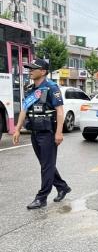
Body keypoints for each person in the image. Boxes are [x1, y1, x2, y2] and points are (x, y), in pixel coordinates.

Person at [12, 59, 71, 209]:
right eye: (29, 68)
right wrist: (18, 128)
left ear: (43, 71)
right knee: (46, 164)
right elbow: (24, 109)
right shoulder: (31, 89)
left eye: (33, 68)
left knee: (46, 165)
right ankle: (62, 186)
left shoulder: (51, 87)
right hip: (35, 132)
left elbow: (59, 111)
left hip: (48, 133)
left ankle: (41, 197)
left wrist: (59, 132)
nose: (30, 71)